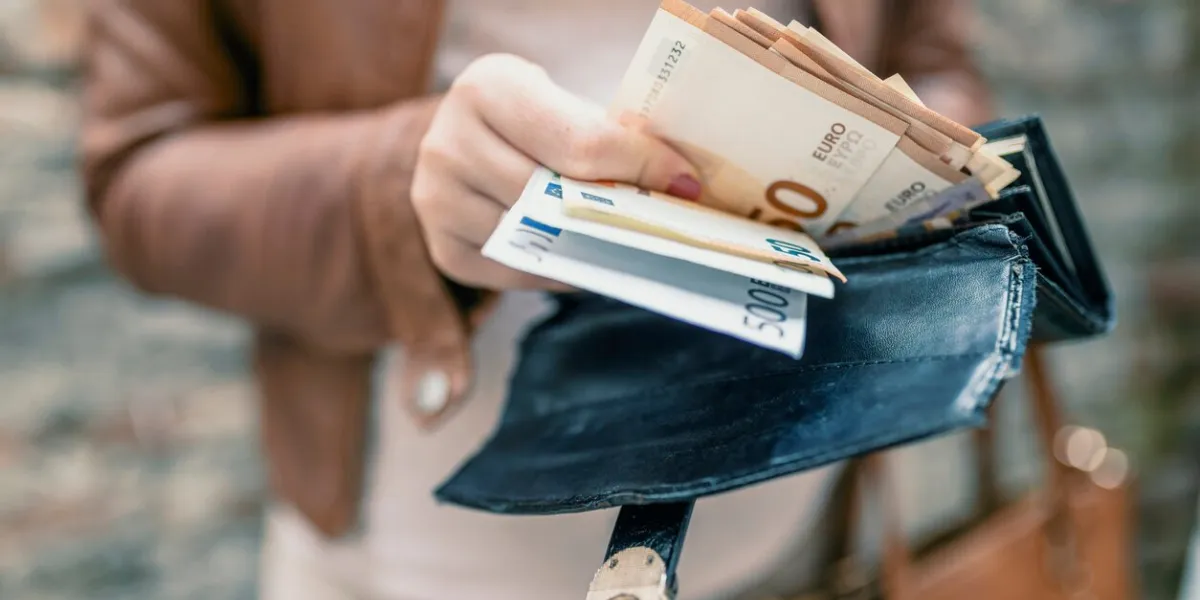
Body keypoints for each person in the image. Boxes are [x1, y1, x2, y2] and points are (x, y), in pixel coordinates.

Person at [79, 1, 994, 598]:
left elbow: (934, 60)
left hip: (796, 514)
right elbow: (137, 176)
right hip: (421, 558)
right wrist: (397, 185)